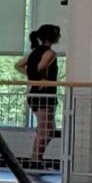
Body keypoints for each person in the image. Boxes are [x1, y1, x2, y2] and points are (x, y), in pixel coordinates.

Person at [20, 23, 62, 167]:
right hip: (44, 95)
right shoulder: (50, 53)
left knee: (47, 130)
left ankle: (37, 157)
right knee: (46, 130)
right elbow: (42, 66)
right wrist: (42, 78)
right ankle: (36, 159)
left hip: (36, 94)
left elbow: (18, 65)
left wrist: (32, 77)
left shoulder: (34, 52)